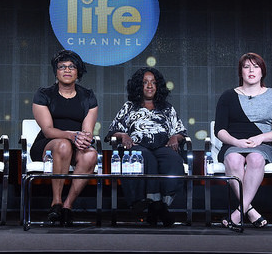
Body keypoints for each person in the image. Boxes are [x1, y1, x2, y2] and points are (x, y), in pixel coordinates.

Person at [215, 53, 272, 231]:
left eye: (255, 66)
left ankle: (237, 213)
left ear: (262, 71)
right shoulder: (228, 96)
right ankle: (249, 211)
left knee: (255, 159)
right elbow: (220, 130)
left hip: (261, 144)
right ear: (241, 72)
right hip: (233, 144)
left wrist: (260, 138)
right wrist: (236, 142)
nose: (251, 70)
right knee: (234, 160)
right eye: (246, 67)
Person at [106, 67, 187, 227]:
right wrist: (123, 135)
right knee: (146, 157)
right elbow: (112, 132)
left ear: (158, 86)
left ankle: (159, 205)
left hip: (162, 146)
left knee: (173, 159)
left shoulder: (167, 108)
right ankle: (156, 205)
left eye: (153, 83)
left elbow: (181, 132)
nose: (149, 86)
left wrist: (174, 137)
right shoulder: (129, 107)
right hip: (137, 146)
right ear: (138, 86)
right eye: (145, 83)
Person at [31, 49, 98, 226]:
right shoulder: (44, 94)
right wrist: (70, 135)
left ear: (78, 72)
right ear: (56, 71)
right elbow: (47, 130)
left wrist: (84, 139)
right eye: (62, 67)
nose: (67, 70)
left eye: (72, 67)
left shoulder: (88, 96)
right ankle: (57, 202)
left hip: (75, 143)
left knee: (91, 154)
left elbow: (87, 130)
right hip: (48, 144)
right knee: (63, 145)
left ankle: (68, 206)